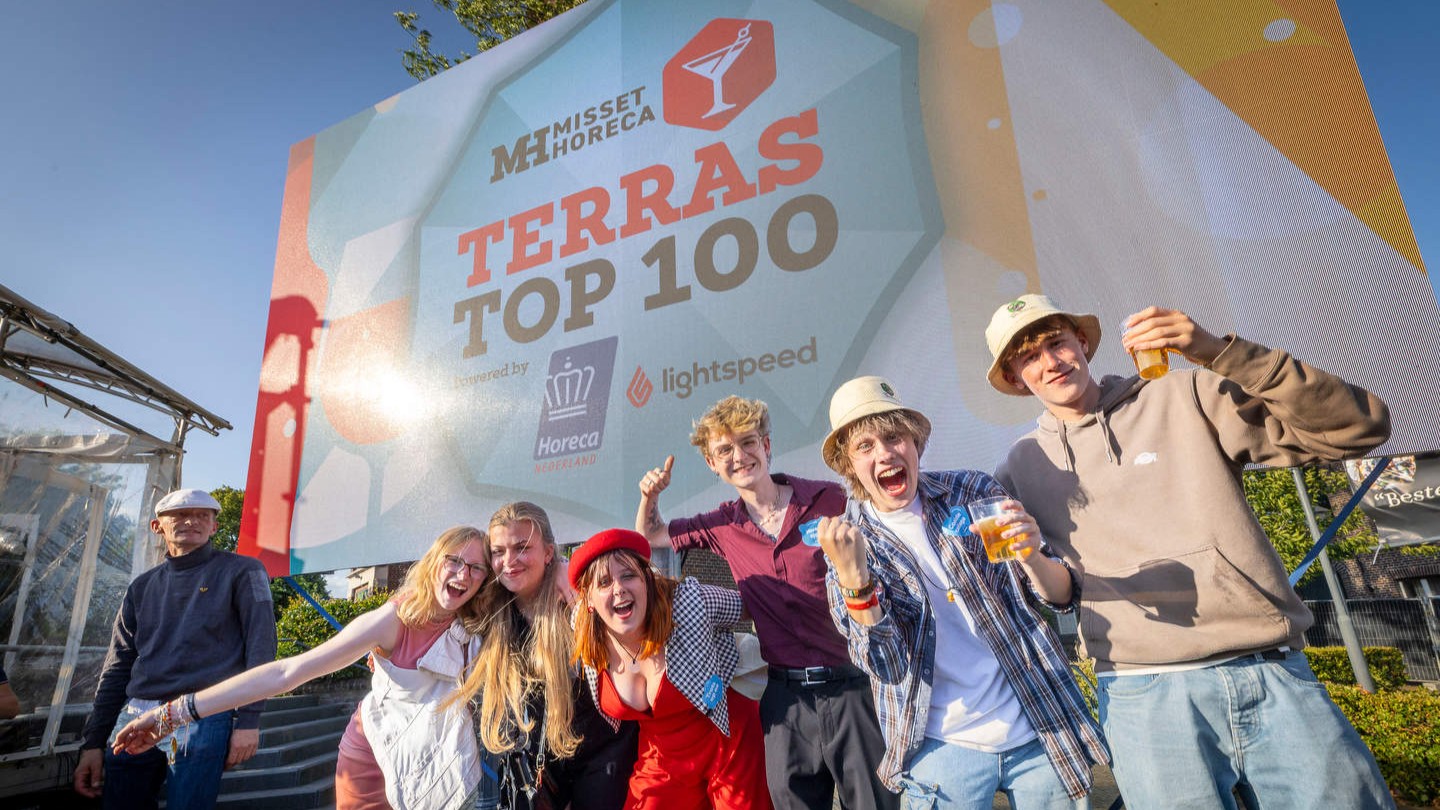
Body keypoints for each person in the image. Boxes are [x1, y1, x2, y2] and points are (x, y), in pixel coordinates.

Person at [987, 294, 1395, 809]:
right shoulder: (1018, 469)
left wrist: (1218, 351)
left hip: (1269, 670)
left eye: (1056, 343)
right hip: (1141, 694)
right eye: (1029, 357)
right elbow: (1059, 592)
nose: (1050, 362)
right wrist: (1029, 558)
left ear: (1083, 342)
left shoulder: (1186, 394)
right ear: (1015, 378)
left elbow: (1359, 427)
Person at [816, 376, 1108, 808]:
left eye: (894, 437)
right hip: (940, 750)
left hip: (1039, 727)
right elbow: (886, 664)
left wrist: (1032, 556)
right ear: (848, 464)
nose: (885, 453)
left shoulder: (972, 493)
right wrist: (855, 580)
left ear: (915, 443)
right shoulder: (849, 541)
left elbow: (1061, 598)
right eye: (865, 446)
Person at [111, 525, 492, 810]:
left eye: (476, 567)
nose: (463, 574)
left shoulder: (483, 625)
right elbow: (286, 672)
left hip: (437, 757)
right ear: (434, 562)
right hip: (373, 761)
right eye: (454, 560)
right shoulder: (391, 620)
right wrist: (174, 713)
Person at [636, 395, 895, 810]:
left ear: (767, 445)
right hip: (785, 701)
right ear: (712, 463)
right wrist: (650, 497)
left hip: (853, 686)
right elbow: (651, 536)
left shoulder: (829, 499)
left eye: (748, 442)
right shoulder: (721, 524)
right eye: (725, 450)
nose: (739, 456)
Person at [73, 488, 278, 809]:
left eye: (202, 516)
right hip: (137, 712)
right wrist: (93, 742)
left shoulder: (244, 570)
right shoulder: (141, 587)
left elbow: (261, 645)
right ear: (158, 526)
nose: (192, 521)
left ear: (214, 527)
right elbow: (118, 665)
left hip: (202, 712)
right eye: (180, 515)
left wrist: (249, 721)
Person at [452, 501, 637, 810]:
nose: (509, 561)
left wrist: (570, 568)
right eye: (498, 551)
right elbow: (437, 601)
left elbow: (642, 595)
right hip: (539, 767)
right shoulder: (492, 608)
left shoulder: (580, 597)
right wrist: (389, 649)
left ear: (549, 552)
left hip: (604, 756)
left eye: (522, 547)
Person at [570, 528, 772, 809]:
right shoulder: (585, 633)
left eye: (628, 575)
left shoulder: (688, 603)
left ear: (646, 580)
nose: (618, 588)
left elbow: (757, 604)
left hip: (727, 739)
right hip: (662, 756)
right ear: (588, 600)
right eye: (604, 582)